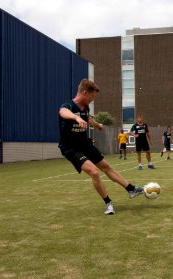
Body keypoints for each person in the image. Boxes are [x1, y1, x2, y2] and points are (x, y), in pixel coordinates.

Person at [58, 79, 144, 215]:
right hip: (71, 148)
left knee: (106, 166)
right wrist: (76, 118)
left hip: (84, 144)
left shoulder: (85, 108)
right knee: (94, 171)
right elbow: (62, 112)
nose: (93, 100)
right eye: (92, 96)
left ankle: (131, 189)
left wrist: (96, 124)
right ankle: (108, 203)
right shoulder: (68, 106)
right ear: (84, 93)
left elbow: (87, 118)